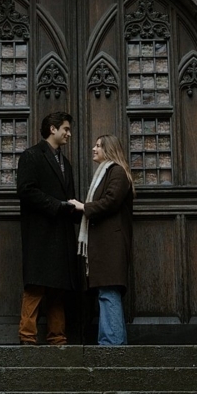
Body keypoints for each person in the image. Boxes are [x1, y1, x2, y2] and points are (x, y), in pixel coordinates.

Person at [15, 111, 80, 346]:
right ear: (52, 129)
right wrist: (57, 206)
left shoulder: (66, 163)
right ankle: (27, 336)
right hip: (40, 233)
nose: (69, 134)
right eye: (66, 129)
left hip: (61, 235)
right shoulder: (31, 156)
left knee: (58, 288)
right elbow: (26, 190)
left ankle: (57, 337)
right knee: (36, 285)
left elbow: (69, 197)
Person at [69, 134, 135, 346]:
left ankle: (112, 346)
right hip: (106, 246)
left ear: (109, 149)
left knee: (108, 292)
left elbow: (111, 201)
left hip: (111, 246)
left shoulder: (116, 172)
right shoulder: (107, 172)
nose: (94, 149)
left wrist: (83, 207)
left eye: (98, 145)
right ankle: (113, 343)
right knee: (106, 293)